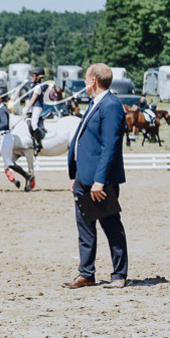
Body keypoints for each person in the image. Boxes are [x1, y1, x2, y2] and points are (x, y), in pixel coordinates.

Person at [64, 64, 128, 289]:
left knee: (111, 227)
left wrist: (99, 180)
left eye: (86, 79)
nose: (83, 83)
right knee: (85, 228)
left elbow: (109, 147)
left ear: (94, 81)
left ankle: (119, 274)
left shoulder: (111, 106)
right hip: (84, 178)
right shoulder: (95, 103)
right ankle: (86, 273)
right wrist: (77, 175)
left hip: (100, 181)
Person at [0, 86, 33, 192]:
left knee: (9, 162)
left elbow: (5, 123)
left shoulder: (2, 110)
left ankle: (27, 176)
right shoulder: (0, 109)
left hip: (5, 138)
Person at [24, 66, 47, 152]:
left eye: (33, 76)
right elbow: (29, 99)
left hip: (37, 107)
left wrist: (27, 108)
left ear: (38, 77)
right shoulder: (32, 85)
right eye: (31, 75)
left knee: (34, 124)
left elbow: (33, 99)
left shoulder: (38, 87)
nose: (31, 77)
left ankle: (38, 143)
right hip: (32, 107)